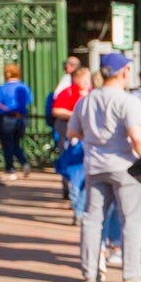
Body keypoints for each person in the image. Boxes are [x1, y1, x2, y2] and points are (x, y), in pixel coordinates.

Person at [67, 52, 141, 282]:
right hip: (125, 166)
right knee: (132, 219)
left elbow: (72, 132)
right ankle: (131, 273)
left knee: (92, 219)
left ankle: (90, 273)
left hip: (95, 165)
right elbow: (137, 136)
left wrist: (95, 137)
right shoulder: (128, 100)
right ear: (124, 72)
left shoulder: (85, 100)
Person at [51, 66, 93, 224]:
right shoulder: (68, 92)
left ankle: (81, 208)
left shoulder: (93, 93)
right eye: (84, 79)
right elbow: (56, 110)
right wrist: (74, 115)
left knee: (86, 177)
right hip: (75, 139)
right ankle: (77, 208)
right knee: (76, 174)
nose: (87, 82)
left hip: (89, 140)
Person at [0, 63, 33, 180]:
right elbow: (29, 101)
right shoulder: (24, 87)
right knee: (15, 143)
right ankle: (24, 163)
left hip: (7, 118)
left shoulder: (2, 88)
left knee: (7, 144)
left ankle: (10, 169)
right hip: (21, 118)